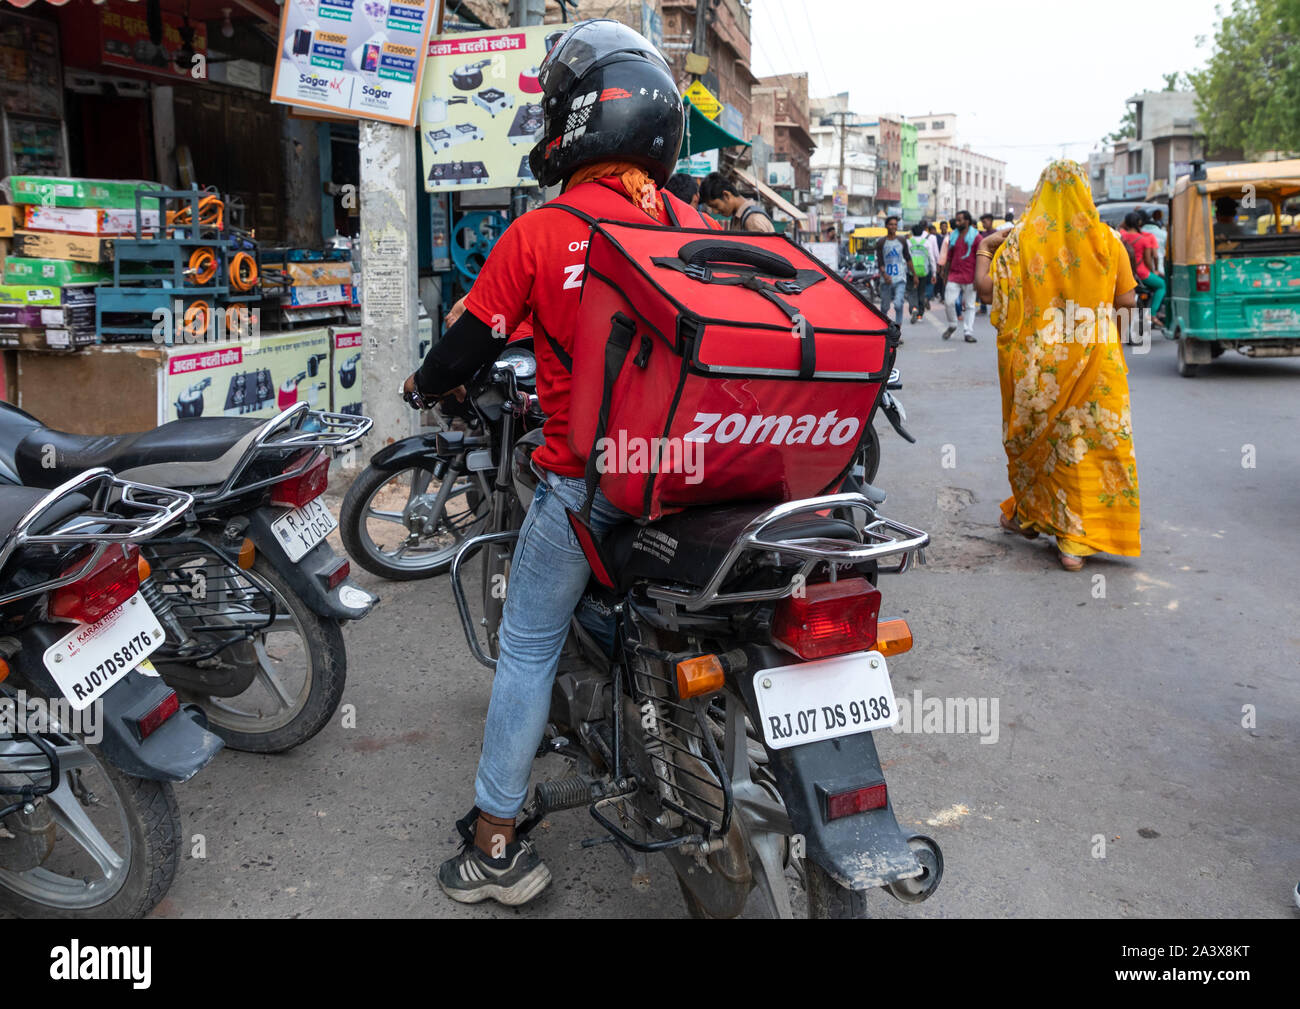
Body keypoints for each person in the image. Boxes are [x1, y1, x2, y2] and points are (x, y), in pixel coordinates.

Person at [402, 19, 714, 907]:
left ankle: (496, 841)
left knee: (527, 646)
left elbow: (461, 349)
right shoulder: (691, 226)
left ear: (579, 122)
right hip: (696, 478)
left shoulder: (546, 233)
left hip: (591, 483)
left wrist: (426, 385)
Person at [975, 159, 1141, 572]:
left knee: (1044, 442)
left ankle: (1034, 517)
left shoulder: (1017, 243)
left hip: (1037, 367)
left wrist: (984, 248)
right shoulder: (1107, 239)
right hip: (1095, 362)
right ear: (1085, 193)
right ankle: (1078, 541)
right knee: (1092, 443)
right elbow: (1126, 302)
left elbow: (985, 291)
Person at [1119, 211, 1164, 328]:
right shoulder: (1144, 239)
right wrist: (1153, 271)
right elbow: (1148, 260)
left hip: (1125, 272)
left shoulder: (1121, 236)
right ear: (1139, 223)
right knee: (1162, 285)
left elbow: (1121, 226)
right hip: (1142, 273)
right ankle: (1153, 314)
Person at [942, 209, 979, 342]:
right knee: (948, 302)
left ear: (967, 221)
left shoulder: (976, 237)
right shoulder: (953, 236)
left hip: (970, 276)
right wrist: (945, 274)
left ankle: (968, 332)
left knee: (970, 306)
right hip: (954, 275)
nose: (957, 223)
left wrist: (978, 277)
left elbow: (980, 258)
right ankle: (952, 325)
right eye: (956, 220)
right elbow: (949, 257)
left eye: (959, 220)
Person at [698, 172, 776, 232]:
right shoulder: (738, 218)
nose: (714, 212)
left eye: (715, 206)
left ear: (726, 195)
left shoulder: (753, 220)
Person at [874, 215, 914, 330]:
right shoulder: (881, 242)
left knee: (898, 304)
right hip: (886, 280)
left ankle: (897, 330)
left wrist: (914, 275)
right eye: (891, 224)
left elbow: (908, 258)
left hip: (900, 278)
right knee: (885, 307)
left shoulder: (902, 240)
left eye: (895, 224)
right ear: (886, 226)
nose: (893, 226)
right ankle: (884, 329)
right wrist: (885, 274)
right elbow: (880, 261)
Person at [907, 222, 935, 322]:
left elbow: (906, 258)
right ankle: (920, 315)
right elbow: (931, 258)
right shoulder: (927, 242)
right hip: (924, 271)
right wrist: (934, 272)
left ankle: (913, 308)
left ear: (913, 232)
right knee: (921, 292)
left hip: (911, 271)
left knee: (911, 291)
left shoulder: (909, 242)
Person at [976, 214, 997, 315]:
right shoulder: (982, 235)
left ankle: (996, 308)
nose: (983, 224)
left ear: (990, 221)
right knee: (982, 285)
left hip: (994, 263)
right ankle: (983, 307)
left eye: (984, 222)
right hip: (984, 264)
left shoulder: (997, 234)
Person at [1142, 207, 1168, 273]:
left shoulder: (1137, 234)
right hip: (1159, 270)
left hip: (1141, 272)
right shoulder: (1164, 234)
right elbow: (1155, 256)